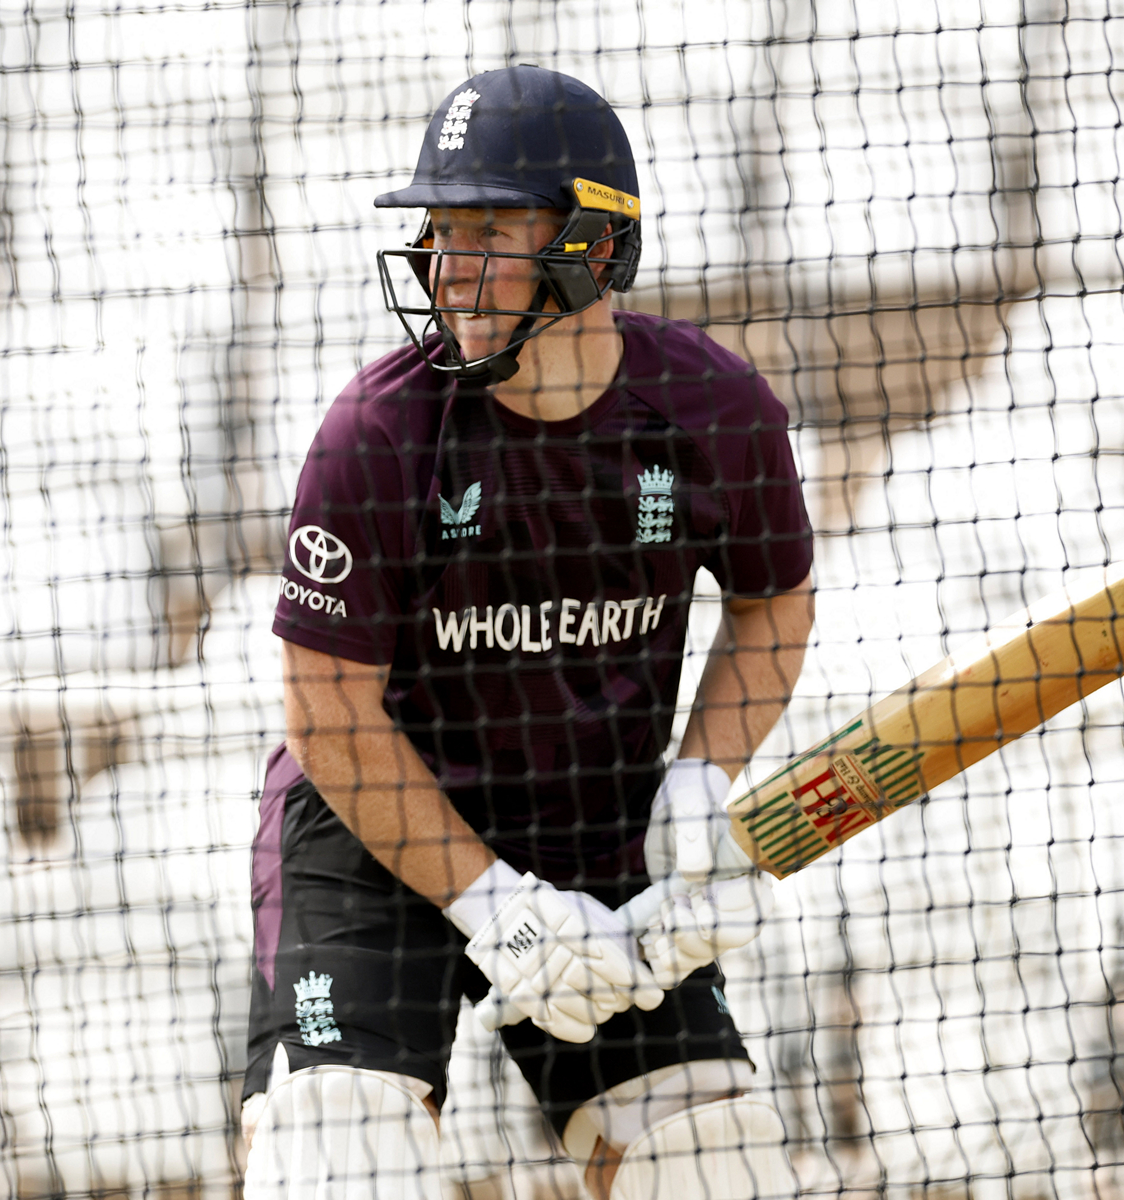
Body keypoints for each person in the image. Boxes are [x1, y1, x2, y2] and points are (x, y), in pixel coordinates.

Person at [240, 65, 815, 1200]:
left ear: (595, 244)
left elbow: (772, 602)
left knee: (712, 1166)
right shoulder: (378, 430)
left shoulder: (714, 411)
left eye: (493, 230)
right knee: (332, 1148)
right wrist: (492, 907)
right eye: (441, 232)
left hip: (596, 826)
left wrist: (702, 778)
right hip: (371, 838)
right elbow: (326, 712)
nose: (452, 268)